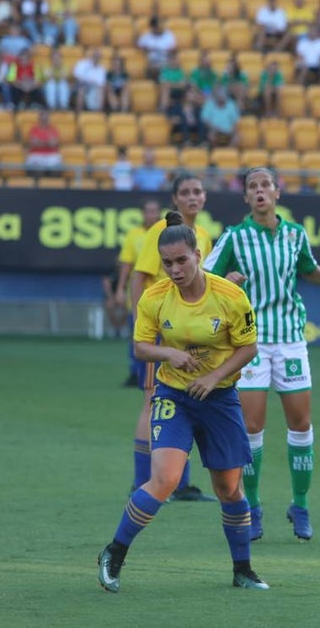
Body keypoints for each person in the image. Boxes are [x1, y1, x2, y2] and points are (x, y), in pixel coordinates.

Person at [97, 213, 267, 594]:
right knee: (165, 479)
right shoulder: (155, 298)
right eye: (167, 263)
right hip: (174, 395)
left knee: (229, 489)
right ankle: (114, 553)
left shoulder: (230, 296)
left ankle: (243, 570)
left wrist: (212, 377)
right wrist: (169, 355)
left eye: (181, 260)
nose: (174, 269)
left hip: (220, 398)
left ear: (198, 254)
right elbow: (141, 347)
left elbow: (249, 347)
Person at [205, 167, 320, 543]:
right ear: (246, 198)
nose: (259, 192)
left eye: (265, 185)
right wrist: (225, 281)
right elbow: (203, 277)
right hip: (251, 341)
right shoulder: (235, 238)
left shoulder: (294, 235)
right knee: (252, 427)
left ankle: (299, 505)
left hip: (290, 340)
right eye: (252, 187)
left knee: (301, 424)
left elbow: (308, 269)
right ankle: (252, 506)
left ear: (277, 192)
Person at [128, 173, 215, 501]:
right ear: (175, 199)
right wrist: (142, 326)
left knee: (185, 401)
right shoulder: (161, 232)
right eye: (186, 192)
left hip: (187, 331)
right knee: (152, 401)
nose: (193, 197)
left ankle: (180, 482)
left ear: (205, 197)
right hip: (161, 328)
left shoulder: (202, 235)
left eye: (198, 191)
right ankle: (141, 482)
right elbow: (140, 277)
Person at [115, 199, 162, 387]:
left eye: (154, 211)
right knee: (136, 335)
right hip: (138, 295)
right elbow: (126, 265)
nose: (151, 214)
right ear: (142, 213)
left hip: (161, 298)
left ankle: (156, 376)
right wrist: (120, 289)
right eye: (148, 211)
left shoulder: (164, 232)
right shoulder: (133, 235)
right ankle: (135, 373)